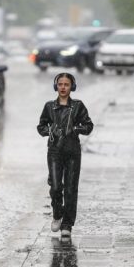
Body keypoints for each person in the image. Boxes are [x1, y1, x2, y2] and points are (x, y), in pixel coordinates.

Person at [37, 73, 94, 238]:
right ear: (56, 86)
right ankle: (57, 213)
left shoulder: (78, 106)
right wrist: (50, 130)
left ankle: (67, 224)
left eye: (66, 84)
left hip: (72, 151)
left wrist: (76, 129)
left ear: (72, 87)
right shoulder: (49, 106)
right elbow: (41, 126)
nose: (63, 87)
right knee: (55, 187)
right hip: (54, 150)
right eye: (60, 84)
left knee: (70, 188)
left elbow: (89, 126)